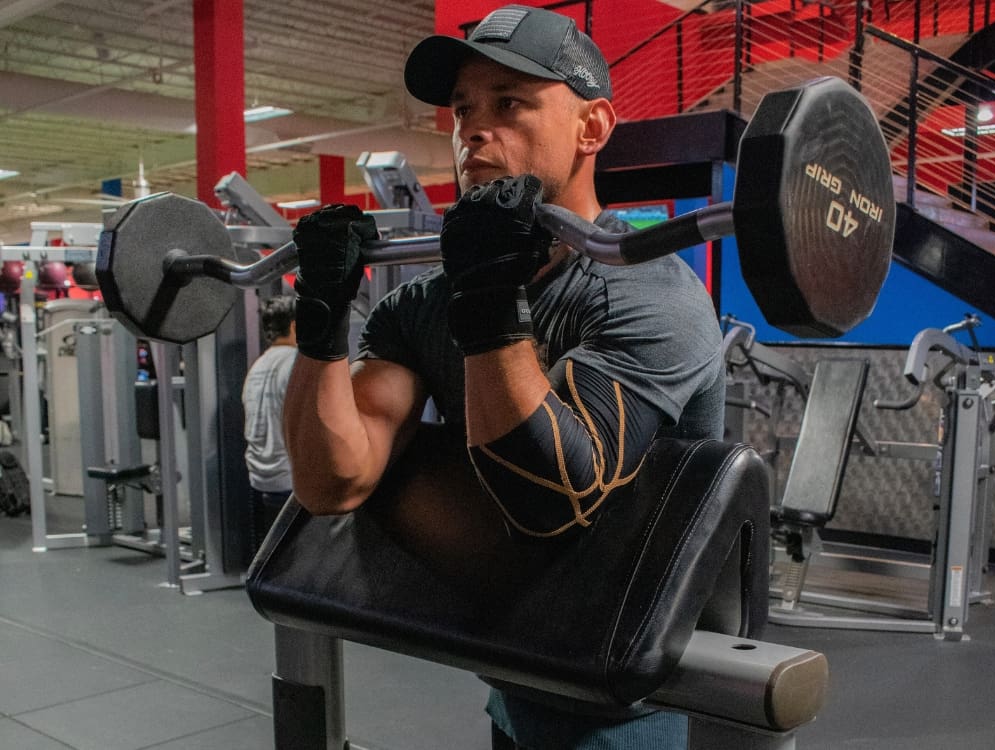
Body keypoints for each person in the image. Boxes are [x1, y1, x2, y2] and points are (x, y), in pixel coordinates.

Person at [284, 5, 724, 749]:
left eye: (509, 104)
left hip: (642, 704)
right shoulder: (419, 308)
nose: (472, 131)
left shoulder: (650, 293)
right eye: (462, 110)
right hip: (518, 674)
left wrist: (491, 298)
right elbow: (334, 482)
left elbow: (548, 499)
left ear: (592, 128)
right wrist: (321, 324)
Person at [242, 294, 298, 553]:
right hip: (289, 484)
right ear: (296, 326)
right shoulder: (296, 361)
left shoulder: (258, 366)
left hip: (261, 480)